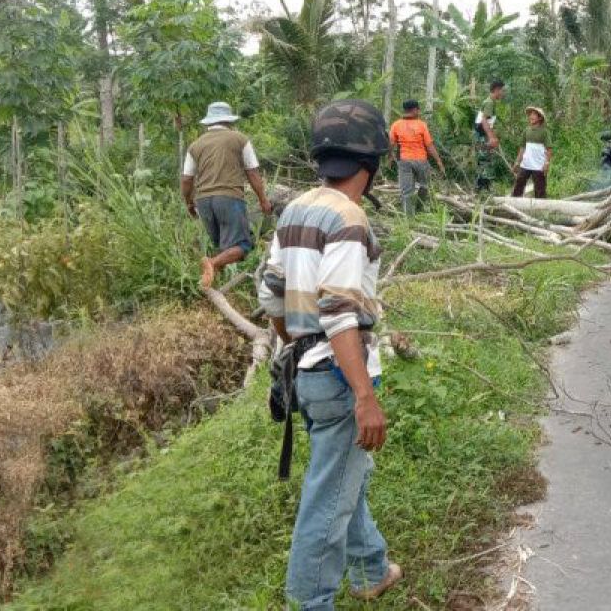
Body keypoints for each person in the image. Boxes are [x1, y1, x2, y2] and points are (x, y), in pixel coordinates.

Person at [258, 99, 403, 610]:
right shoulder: (349, 219)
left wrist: (295, 341)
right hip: (341, 379)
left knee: (344, 476)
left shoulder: (296, 209)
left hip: (308, 376)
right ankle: (311, 601)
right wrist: (365, 395)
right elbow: (341, 313)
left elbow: (271, 293)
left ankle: (371, 569)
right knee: (326, 502)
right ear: (371, 165)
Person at [181, 101, 272, 290]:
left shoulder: (195, 145)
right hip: (229, 198)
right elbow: (252, 173)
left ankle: (216, 288)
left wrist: (189, 202)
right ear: (229, 121)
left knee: (223, 246)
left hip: (204, 201)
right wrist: (263, 200)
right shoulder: (240, 139)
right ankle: (212, 263)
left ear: (209, 122)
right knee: (243, 246)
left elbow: (186, 179)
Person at [389, 99, 445, 214]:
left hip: (404, 161)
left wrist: (390, 158)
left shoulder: (396, 125)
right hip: (421, 161)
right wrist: (439, 161)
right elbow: (429, 145)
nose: (419, 111)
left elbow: (390, 144)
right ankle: (420, 208)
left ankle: (409, 218)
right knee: (424, 186)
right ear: (414, 110)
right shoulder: (421, 125)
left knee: (406, 191)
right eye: (418, 109)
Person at [511, 106, 552, 199]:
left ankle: (541, 209)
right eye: (530, 114)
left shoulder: (544, 132)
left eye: (534, 114)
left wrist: (546, 163)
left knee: (540, 189)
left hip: (538, 166)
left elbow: (549, 149)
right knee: (518, 185)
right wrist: (517, 162)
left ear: (540, 117)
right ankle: (514, 203)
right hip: (525, 164)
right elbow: (522, 148)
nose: (531, 117)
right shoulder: (526, 131)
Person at [474, 80, 506, 192]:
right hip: (483, 137)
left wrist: (493, 136)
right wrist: (491, 138)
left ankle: (484, 188)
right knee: (484, 162)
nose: (503, 93)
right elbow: (484, 121)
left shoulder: (490, 102)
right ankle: (482, 189)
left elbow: (489, 123)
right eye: (502, 90)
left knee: (486, 161)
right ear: (497, 90)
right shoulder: (489, 103)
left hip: (484, 136)